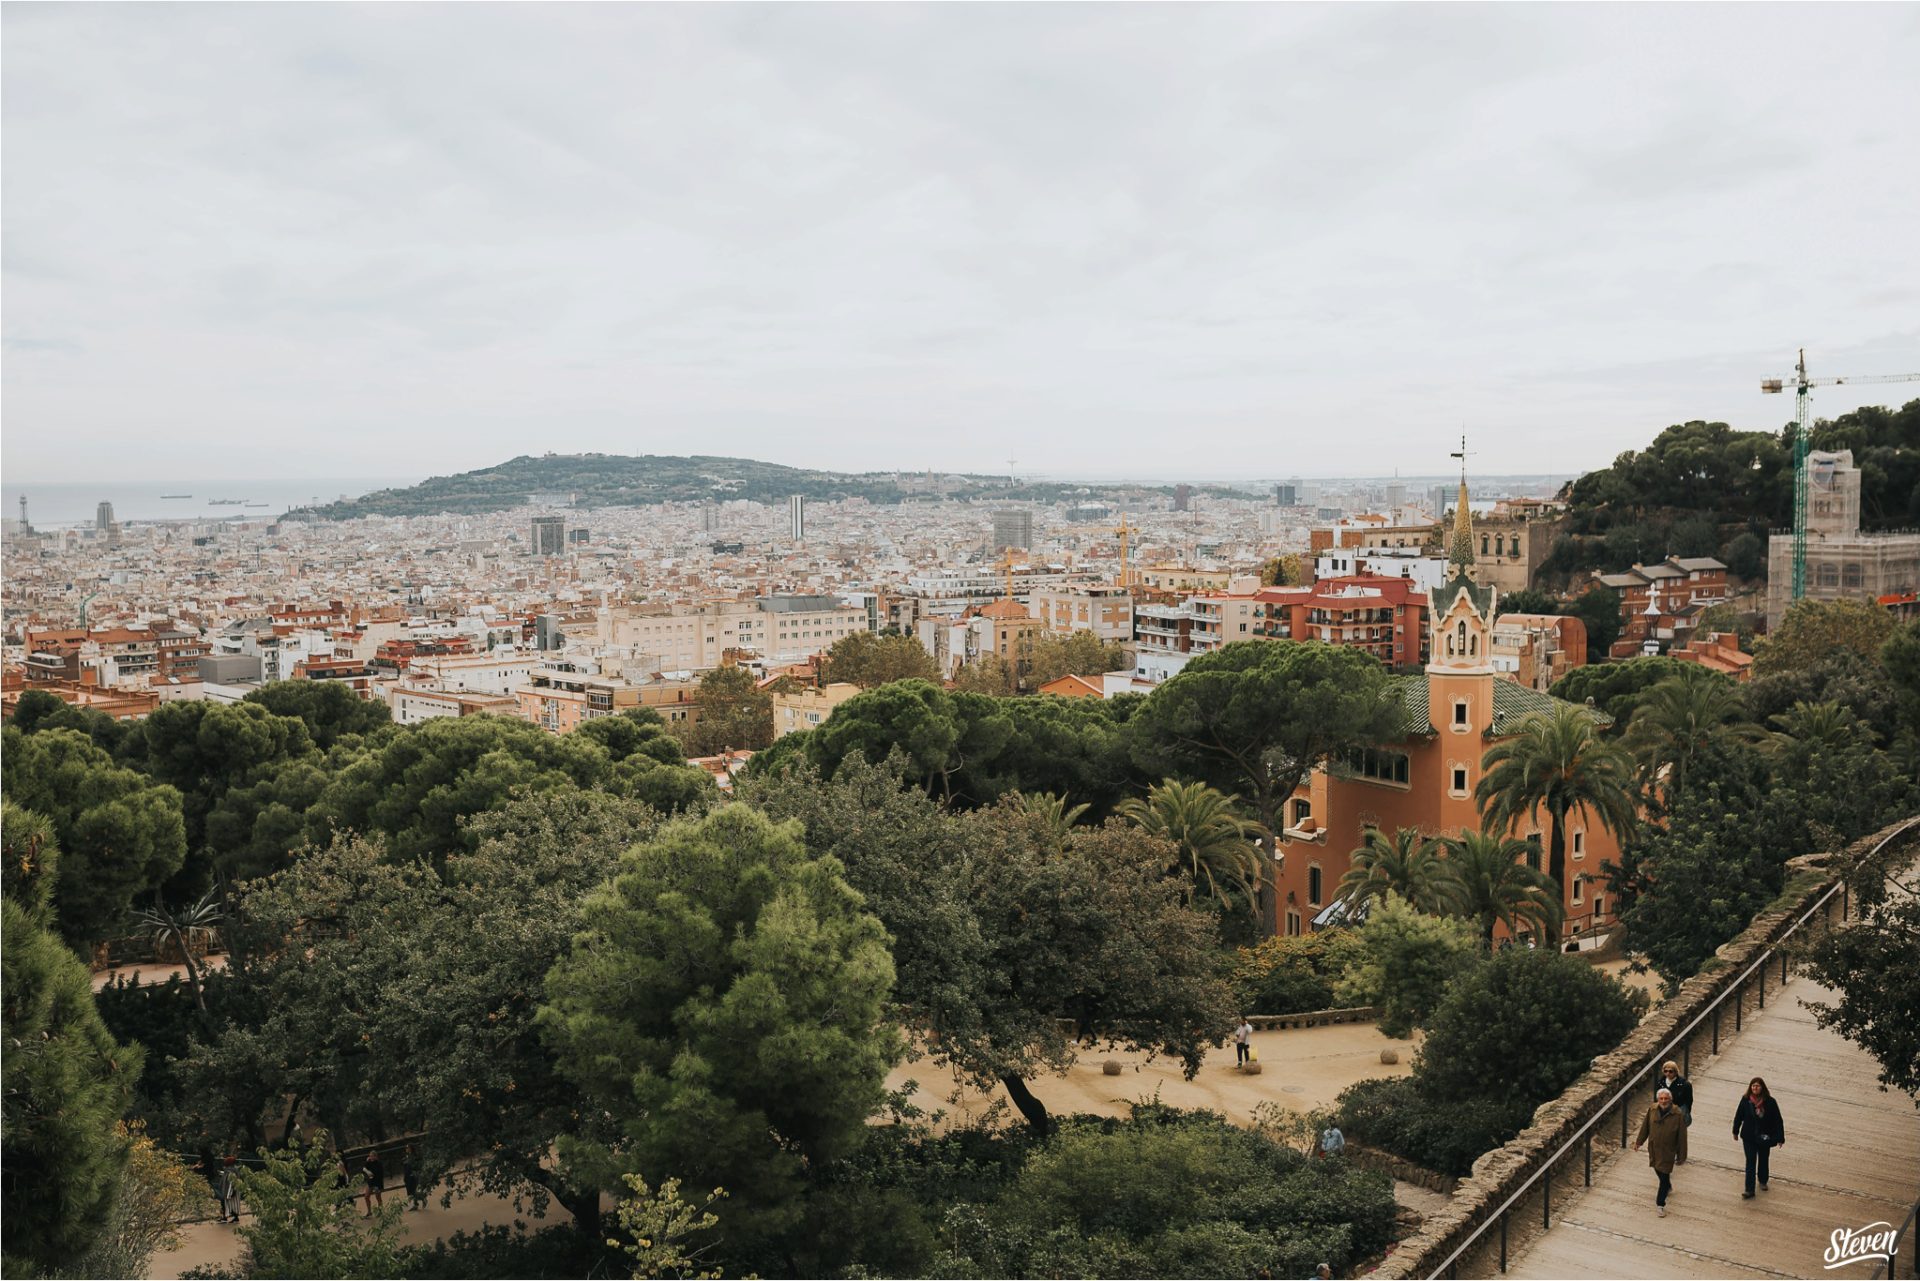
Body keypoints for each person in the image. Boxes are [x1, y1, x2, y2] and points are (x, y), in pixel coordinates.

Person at [1632, 1086, 1688, 1216]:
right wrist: (1639, 1142)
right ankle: (1668, 1185)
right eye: (1661, 1098)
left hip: (1668, 1151)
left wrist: (1682, 1156)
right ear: (1658, 1099)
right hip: (1654, 1148)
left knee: (1663, 1176)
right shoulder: (1652, 1109)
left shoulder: (1678, 1114)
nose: (1663, 1101)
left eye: (1666, 1098)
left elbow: (1682, 1137)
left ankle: (1660, 1204)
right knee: (1658, 1170)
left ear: (1670, 1099)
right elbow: (1645, 1126)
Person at [1732, 1076, 1785, 1198]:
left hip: (1764, 1136)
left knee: (1763, 1159)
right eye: (1753, 1085)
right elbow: (1739, 1115)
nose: (1755, 1088)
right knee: (1750, 1162)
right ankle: (1749, 1190)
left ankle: (1763, 1180)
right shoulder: (1745, 1100)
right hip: (1749, 1136)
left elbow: (1778, 1120)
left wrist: (1780, 1138)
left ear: (1762, 1088)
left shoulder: (1770, 1102)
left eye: (1757, 1086)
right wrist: (1735, 1131)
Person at [1659, 1059, 1694, 1131]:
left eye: (1670, 1071)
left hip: (1678, 1112)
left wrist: (1685, 1112)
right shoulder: (1661, 1083)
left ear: (1676, 1072)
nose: (1668, 1073)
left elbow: (1689, 1101)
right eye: (1666, 1071)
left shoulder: (1685, 1085)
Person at [218, 1152, 241, 1223]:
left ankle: (225, 1218)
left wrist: (230, 1192)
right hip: (231, 1191)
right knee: (232, 1205)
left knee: (226, 1203)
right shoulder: (232, 1170)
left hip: (230, 1191)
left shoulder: (230, 1171)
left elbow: (232, 1182)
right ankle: (234, 1217)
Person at [361, 1150, 385, 1217]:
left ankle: (380, 1210)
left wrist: (379, 1186)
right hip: (370, 1182)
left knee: (378, 1197)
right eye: (370, 1156)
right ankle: (369, 1211)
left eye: (372, 1156)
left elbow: (381, 1175)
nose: (370, 1157)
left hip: (377, 1182)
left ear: (375, 1156)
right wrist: (367, 1170)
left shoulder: (379, 1163)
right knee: (366, 1197)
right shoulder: (369, 1162)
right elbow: (364, 1168)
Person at [401, 1144, 424, 1210]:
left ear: (411, 1148)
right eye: (406, 1148)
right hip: (407, 1175)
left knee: (413, 1190)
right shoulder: (406, 1156)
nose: (406, 1149)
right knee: (409, 1190)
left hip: (412, 1175)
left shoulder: (414, 1156)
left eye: (407, 1148)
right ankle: (415, 1203)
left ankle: (417, 1202)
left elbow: (416, 1165)